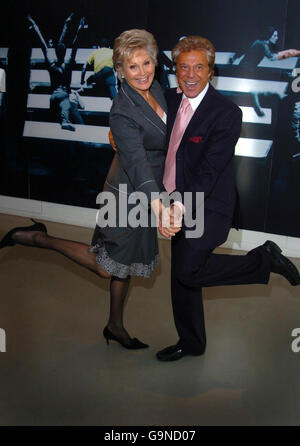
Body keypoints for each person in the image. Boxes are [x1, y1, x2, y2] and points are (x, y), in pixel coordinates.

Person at [0, 29, 178, 350]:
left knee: (122, 266)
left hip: (147, 194)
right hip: (127, 196)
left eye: (146, 62)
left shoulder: (160, 92)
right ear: (120, 71)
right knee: (104, 265)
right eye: (132, 67)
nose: (142, 72)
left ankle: (114, 325)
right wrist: (161, 205)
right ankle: (34, 236)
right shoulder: (123, 110)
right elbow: (136, 162)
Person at [156, 35, 300, 362]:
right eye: (183, 68)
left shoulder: (226, 112)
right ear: (176, 70)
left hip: (208, 206)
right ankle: (191, 341)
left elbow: (209, 170)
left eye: (199, 68)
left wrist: (179, 207)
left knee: (187, 272)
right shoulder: (168, 99)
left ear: (210, 71)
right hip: (172, 201)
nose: (190, 75)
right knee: (182, 274)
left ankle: (265, 260)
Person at [27, 14, 86, 131]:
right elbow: (75, 46)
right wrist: (79, 29)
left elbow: (43, 45)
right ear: (64, 53)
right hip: (64, 96)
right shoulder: (67, 65)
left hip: (53, 97)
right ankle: (65, 120)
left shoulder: (51, 64)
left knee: (54, 119)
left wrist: (35, 26)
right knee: (66, 103)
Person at [230, 27, 300, 116]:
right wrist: (289, 53)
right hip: (247, 69)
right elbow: (271, 57)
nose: (277, 37)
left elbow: (244, 49)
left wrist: (234, 57)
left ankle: (257, 108)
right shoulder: (263, 44)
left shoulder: (258, 42)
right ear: (269, 36)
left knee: (254, 88)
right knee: (253, 89)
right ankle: (257, 108)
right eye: (274, 35)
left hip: (245, 68)